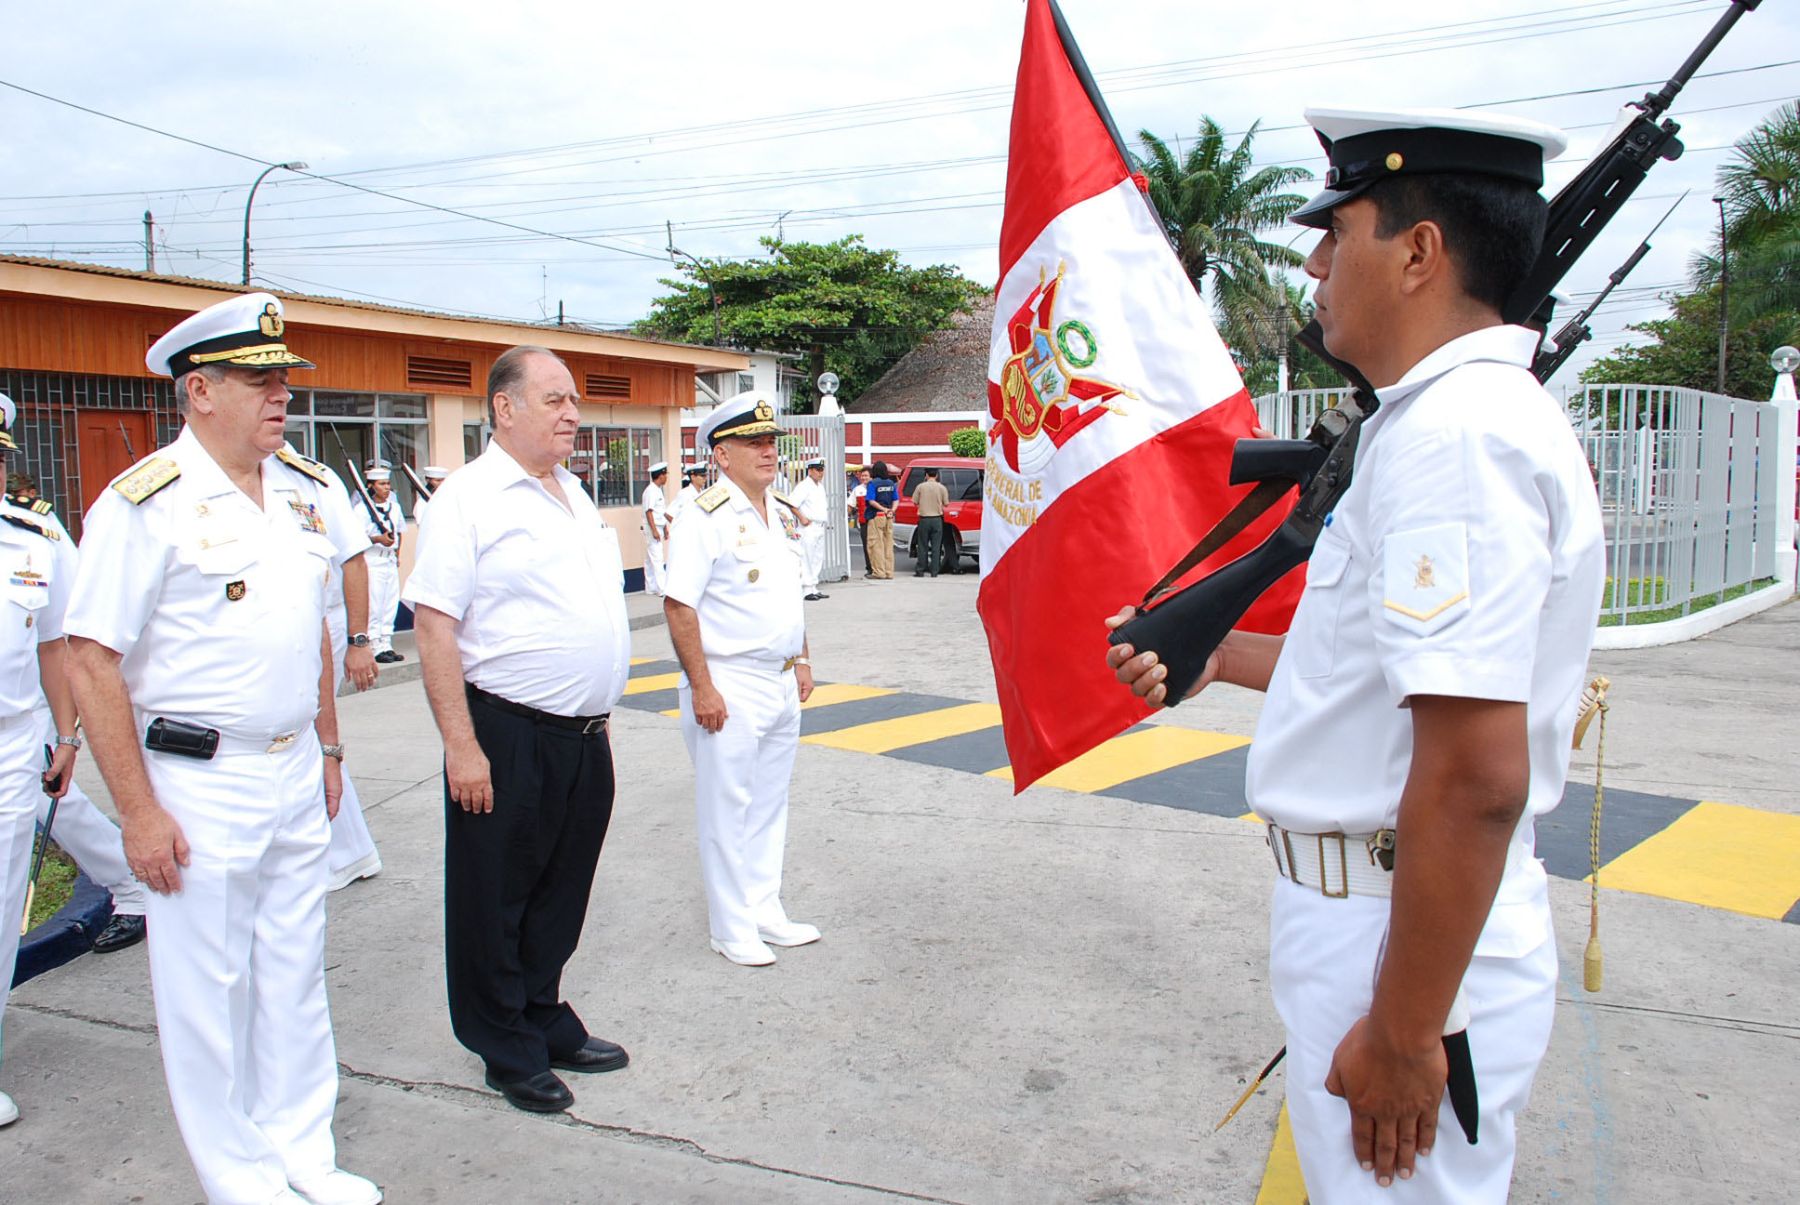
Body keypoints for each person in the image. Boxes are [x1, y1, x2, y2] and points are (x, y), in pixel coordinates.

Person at [1108, 108, 1604, 1203]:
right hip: (1377, 919)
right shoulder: (1428, 424)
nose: (1317, 263)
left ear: (1420, 253)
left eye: (1342, 233)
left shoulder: (1456, 437)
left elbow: (1475, 777)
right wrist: (1216, 654)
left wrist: (1405, 1028)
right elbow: (1381, 679)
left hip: (1400, 938)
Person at [64, 293, 381, 1204]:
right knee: (208, 990)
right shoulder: (147, 504)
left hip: (289, 766)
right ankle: (237, 1177)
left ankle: (302, 1151)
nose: (281, 395)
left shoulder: (298, 493)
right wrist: (137, 811)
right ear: (199, 390)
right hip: (196, 777)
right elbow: (91, 661)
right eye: (259, 380)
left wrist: (327, 745)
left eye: (284, 379)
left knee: (293, 969)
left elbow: (307, 633)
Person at [404, 345, 632, 1116]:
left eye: (574, 400)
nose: (573, 412)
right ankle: (502, 1042)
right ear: (504, 407)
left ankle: (543, 1014)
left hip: (582, 735)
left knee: (559, 891)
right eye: (555, 399)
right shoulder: (468, 499)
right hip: (505, 731)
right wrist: (460, 746)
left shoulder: (571, 490)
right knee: (493, 896)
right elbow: (434, 627)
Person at [664, 390, 820, 967]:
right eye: (752, 442)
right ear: (720, 454)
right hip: (728, 679)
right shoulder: (703, 515)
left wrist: (801, 658)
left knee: (769, 803)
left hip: (778, 679)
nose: (767, 451)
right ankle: (731, 927)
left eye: (771, 441)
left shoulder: (774, 511)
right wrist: (702, 687)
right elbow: (680, 606)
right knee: (727, 808)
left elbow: (788, 597)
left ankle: (764, 909)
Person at [0, 465, 149, 954]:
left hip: (25, 709)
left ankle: (131, 885)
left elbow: (64, 629)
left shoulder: (35, 535)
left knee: (53, 800)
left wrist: (69, 727)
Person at [0, 394, 83, 1131]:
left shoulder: (30, 541)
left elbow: (54, 645)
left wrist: (67, 735)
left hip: (9, 742)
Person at [314, 461, 382, 892]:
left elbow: (353, 560)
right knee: (300, 736)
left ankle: (346, 853)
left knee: (309, 728)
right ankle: (351, 851)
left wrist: (360, 640)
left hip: (325, 621)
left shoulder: (313, 481)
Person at [361, 468, 404, 664]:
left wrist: (397, 553)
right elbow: (357, 537)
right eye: (381, 484)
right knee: (375, 603)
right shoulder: (361, 509)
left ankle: (386, 643)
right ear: (371, 486)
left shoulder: (394, 507)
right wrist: (378, 538)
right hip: (373, 559)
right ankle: (374, 644)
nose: (386, 488)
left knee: (390, 603)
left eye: (387, 484)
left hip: (389, 559)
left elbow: (400, 531)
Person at [789, 458, 831, 601]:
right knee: (806, 558)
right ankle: (806, 589)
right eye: (818, 470)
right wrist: (801, 517)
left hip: (819, 526)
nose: (821, 473)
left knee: (817, 558)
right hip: (808, 526)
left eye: (822, 470)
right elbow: (792, 504)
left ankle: (813, 586)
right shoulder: (804, 486)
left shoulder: (819, 486)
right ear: (810, 470)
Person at [910, 466, 949, 578]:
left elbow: (914, 501)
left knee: (922, 545)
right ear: (936, 475)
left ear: (926, 475)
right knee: (937, 546)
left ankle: (920, 570)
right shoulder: (942, 488)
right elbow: (946, 503)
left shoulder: (920, 487)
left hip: (924, 519)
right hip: (937, 519)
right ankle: (934, 571)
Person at [641, 462, 671, 596]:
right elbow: (649, 512)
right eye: (665, 474)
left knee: (650, 559)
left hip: (659, 526)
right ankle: (662, 588)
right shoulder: (651, 491)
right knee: (657, 558)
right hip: (652, 528)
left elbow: (660, 511)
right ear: (660, 475)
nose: (667, 477)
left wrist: (665, 528)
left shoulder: (657, 490)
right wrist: (654, 530)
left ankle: (651, 586)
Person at [864, 461, 898, 580]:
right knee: (888, 545)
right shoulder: (891, 483)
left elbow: (871, 501)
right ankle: (889, 572)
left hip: (876, 516)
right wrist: (891, 510)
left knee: (876, 545)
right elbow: (896, 499)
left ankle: (879, 572)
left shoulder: (872, 483)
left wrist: (883, 509)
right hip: (889, 517)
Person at [410, 465, 449, 529]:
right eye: (438, 480)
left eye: (443, 480)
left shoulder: (447, 498)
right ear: (428, 480)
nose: (441, 483)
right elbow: (423, 527)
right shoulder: (422, 503)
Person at [849, 466, 871, 572]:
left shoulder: (874, 487)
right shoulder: (857, 489)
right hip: (864, 522)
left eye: (866, 475)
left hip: (876, 522)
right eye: (862, 476)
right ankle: (869, 568)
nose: (864, 478)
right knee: (866, 546)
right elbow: (850, 505)